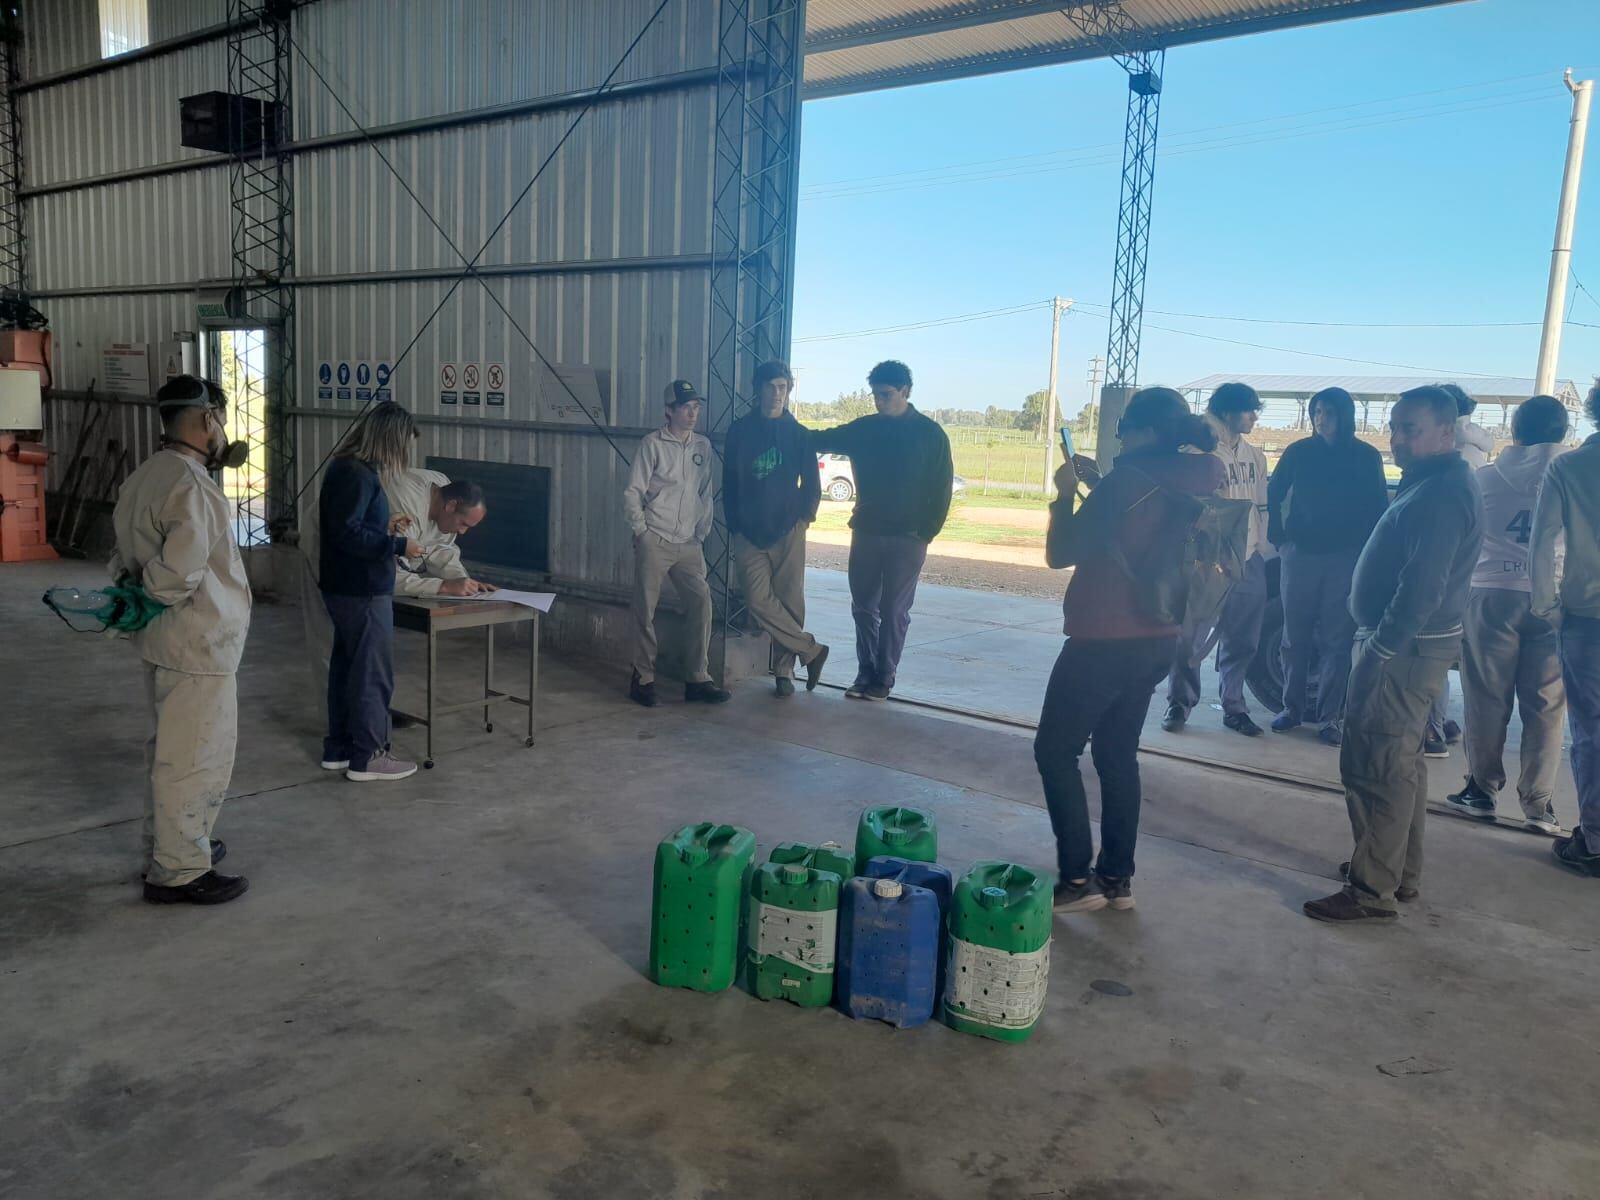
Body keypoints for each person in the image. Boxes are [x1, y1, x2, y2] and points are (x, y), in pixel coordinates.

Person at [1037, 388, 1226, 914]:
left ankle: (1077, 880)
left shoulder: (1125, 483)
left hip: (1101, 638)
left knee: (1054, 751)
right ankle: (1117, 879)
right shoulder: (1200, 474)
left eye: (1125, 429)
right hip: (1159, 636)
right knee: (1117, 754)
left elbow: (1060, 553)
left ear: (1146, 433)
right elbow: (1147, 518)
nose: (1119, 438)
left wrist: (1064, 493)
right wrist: (1099, 488)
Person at [1305, 386, 1484, 923]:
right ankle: (1395, 873)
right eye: (1395, 426)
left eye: (1411, 429)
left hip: (1403, 652)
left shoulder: (1442, 494)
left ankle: (1370, 891)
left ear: (1445, 434)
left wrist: (1381, 647)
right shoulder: (1435, 482)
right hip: (1412, 648)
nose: (1397, 438)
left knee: (1375, 764)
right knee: (1399, 766)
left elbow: (1422, 587)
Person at [108, 375, 252, 905]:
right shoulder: (192, 485)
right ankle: (179, 871)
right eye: (219, 419)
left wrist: (137, 597)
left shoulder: (145, 475)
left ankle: (171, 845)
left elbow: (121, 554)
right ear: (207, 419)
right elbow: (176, 574)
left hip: (163, 640)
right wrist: (153, 593)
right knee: (195, 756)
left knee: (171, 751)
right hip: (197, 642)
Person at [1447, 396, 1569, 834]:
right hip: (1554, 597)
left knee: (1486, 697)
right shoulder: (1576, 477)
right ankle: (1539, 805)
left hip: (1492, 593)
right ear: (1564, 432)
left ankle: (1481, 790)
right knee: (1547, 705)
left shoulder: (1484, 478)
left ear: (1515, 432)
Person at [809, 360, 953, 701]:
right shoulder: (864, 429)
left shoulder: (931, 436)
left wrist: (927, 531)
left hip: (908, 538)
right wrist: (785, 430)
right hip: (867, 533)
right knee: (863, 607)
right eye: (875, 395)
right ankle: (865, 672)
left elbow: (942, 488)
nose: (879, 401)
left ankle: (884, 678)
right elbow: (820, 438)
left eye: (886, 394)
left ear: (906, 392)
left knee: (893, 611)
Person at [1266, 387, 1389, 746]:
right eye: (1317, 411)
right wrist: (1279, 538)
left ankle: (1330, 717)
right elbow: (1273, 493)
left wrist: (1368, 554)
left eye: (1329, 412)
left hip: (1345, 559)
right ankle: (1291, 708)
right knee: (1294, 637)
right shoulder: (1298, 452)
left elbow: (1378, 507)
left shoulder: (1366, 457)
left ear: (1345, 415)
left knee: (1337, 640)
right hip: (1300, 555)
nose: (1321, 418)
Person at [318, 401, 424, 783]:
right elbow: (346, 532)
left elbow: (352, 523)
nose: (404, 455)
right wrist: (398, 546)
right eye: (403, 445)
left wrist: (385, 525)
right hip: (362, 590)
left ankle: (341, 748)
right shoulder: (357, 474)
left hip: (347, 587)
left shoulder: (348, 470)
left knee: (348, 669)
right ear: (389, 440)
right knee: (372, 674)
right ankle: (370, 755)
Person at [1162, 381, 1270, 736]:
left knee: (1243, 637)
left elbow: (1261, 505)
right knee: (1191, 636)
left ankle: (1234, 706)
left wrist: (1261, 549)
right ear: (1227, 411)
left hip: (1248, 556)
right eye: (1248, 409)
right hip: (1207, 560)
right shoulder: (1197, 452)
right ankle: (1179, 703)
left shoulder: (1255, 456)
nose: (1254, 416)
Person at [723, 360, 829, 697]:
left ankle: (785, 671)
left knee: (789, 600)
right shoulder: (739, 431)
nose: (776, 393)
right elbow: (729, 481)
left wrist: (804, 520)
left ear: (788, 391)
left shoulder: (799, 435)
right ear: (758, 390)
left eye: (782, 387)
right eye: (770, 386)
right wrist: (735, 522)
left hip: (788, 530)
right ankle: (810, 650)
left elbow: (812, 484)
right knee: (757, 599)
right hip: (749, 532)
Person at [624, 380, 730, 708]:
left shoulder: (702, 447)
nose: (692, 413)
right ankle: (643, 677)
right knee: (646, 609)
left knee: (701, 603)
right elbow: (633, 491)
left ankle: (697, 678)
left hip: (688, 543)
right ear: (669, 410)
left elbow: (705, 493)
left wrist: (701, 532)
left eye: (696, 407)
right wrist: (641, 531)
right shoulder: (652, 445)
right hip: (655, 537)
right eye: (686, 407)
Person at [1531, 383, 1600, 877]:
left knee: (1591, 733)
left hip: (1586, 619)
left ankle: (1594, 838)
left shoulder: (1570, 467)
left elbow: (1542, 545)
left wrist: (1549, 607)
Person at [1422, 383, 1492, 753]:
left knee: (1430, 643)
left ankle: (1431, 730)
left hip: (1448, 563)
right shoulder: (1478, 447)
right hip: (1470, 563)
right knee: (1444, 646)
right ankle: (1442, 721)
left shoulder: (1452, 456)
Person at [384, 471, 494, 598]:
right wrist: (445, 586)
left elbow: (440, 548)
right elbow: (390, 579)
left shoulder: (443, 488)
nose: (462, 532)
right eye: (463, 523)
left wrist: (466, 583)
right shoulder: (406, 509)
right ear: (451, 506)